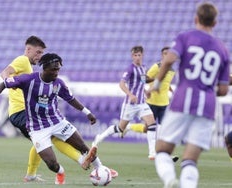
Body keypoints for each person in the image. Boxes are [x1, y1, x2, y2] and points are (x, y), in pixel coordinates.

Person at [0, 36, 119, 184]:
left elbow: (69, 98)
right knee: (52, 137)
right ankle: (83, 161)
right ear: (28, 49)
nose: (39, 56)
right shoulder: (22, 61)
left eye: (41, 53)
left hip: (31, 112)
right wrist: (9, 82)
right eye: (38, 52)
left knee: (42, 141)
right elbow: (5, 73)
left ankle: (31, 175)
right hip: (22, 111)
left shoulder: (45, 76)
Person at [147, 2, 230, 188]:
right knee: (190, 160)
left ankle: (169, 180)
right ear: (215, 22)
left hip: (182, 100)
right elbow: (223, 90)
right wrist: (207, 88)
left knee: (162, 151)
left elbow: (168, 60)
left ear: (196, 18)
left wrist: (157, 84)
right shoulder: (222, 49)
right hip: (207, 106)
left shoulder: (186, 37)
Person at [92, 46, 157, 160]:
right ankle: (99, 137)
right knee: (120, 129)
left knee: (152, 124)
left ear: (142, 55)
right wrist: (130, 94)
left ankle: (152, 152)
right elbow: (122, 84)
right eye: (135, 55)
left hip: (141, 103)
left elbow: (142, 81)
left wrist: (146, 91)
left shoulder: (143, 67)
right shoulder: (130, 69)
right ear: (132, 56)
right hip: (130, 104)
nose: (137, 57)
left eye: (139, 55)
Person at [121, 46, 179, 162]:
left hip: (164, 103)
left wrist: (170, 89)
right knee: (149, 129)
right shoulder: (156, 67)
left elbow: (165, 83)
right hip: (152, 101)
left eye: (169, 54)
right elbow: (144, 79)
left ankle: (162, 154)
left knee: (161, 130)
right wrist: (148, 90)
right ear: (162, 55)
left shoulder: (172, 70)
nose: (167, 56)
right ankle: (130, 127)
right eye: (164, 54)